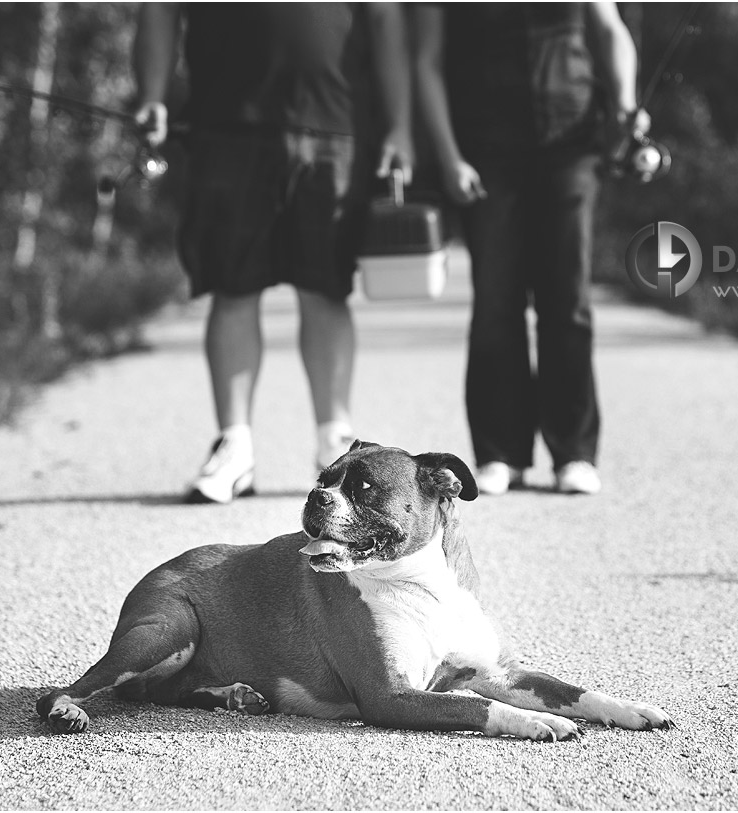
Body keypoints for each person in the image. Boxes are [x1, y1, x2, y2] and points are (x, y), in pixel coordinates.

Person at [134, 4, 413, 503]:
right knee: (233, 287)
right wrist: (153, 94)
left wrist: (400, 125)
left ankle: (335, 448)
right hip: (227, 125)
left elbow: (386, 17)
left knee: (326, 289)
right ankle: (234, 448)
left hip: (336, 124)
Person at [415, 3, 640, 495]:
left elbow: (609, 29)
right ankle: (501, 454)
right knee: (497, 300)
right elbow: (426, 63)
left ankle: (574, 454)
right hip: (484, 150)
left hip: (571, 142)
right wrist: (448, 155)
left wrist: (624, 104)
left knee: (568, 299)